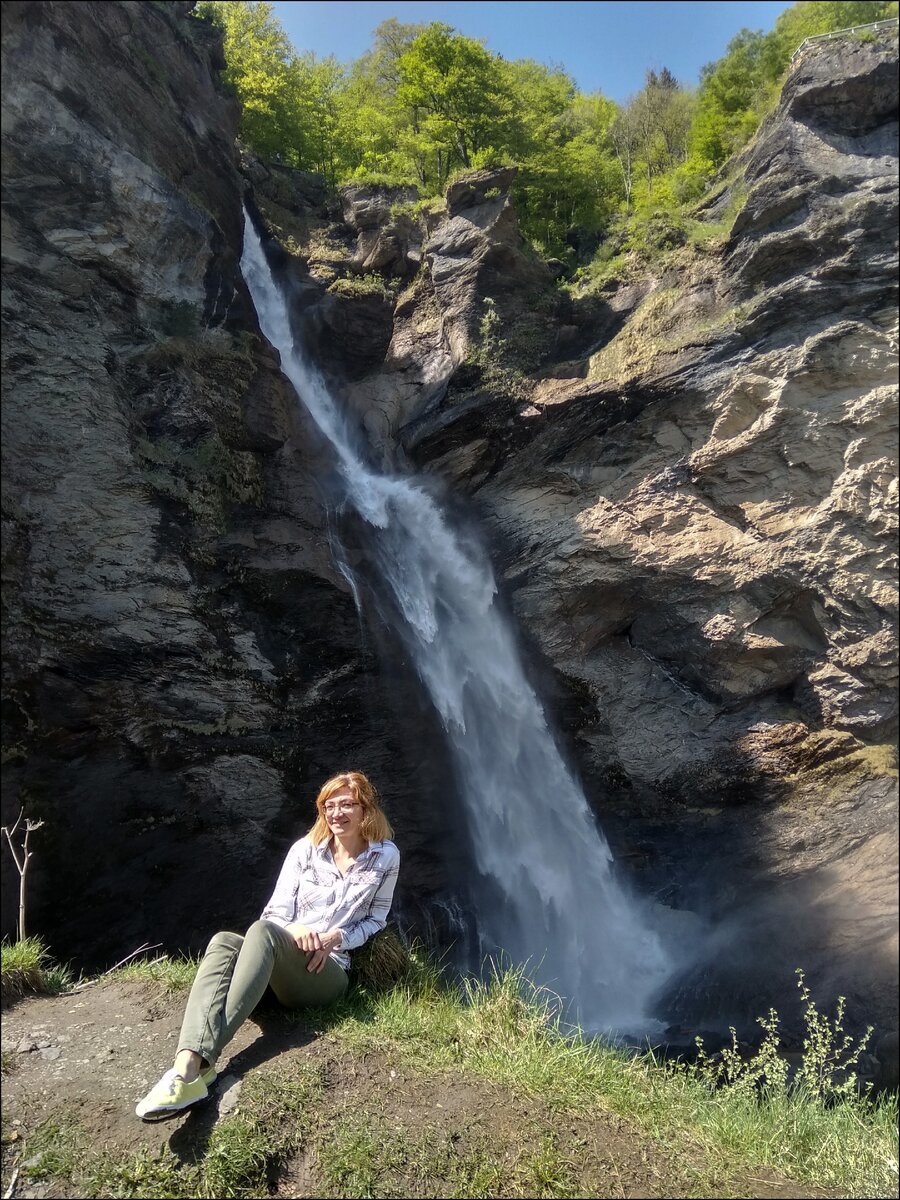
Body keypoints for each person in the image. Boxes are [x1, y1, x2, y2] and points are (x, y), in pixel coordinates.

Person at [135, 770, 399, 1121]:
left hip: (328, 970)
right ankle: (188, 1068)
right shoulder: (304, 851)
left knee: (261, 933)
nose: (337, 813)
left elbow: (377, 918)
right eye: (328, 806)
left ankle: (194, 1067)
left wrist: (338, 937)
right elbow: (275, 913)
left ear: (365, 809)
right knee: (225, 941)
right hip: (287, 954)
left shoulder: (386, 856)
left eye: (347, 804)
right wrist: (298, 929)